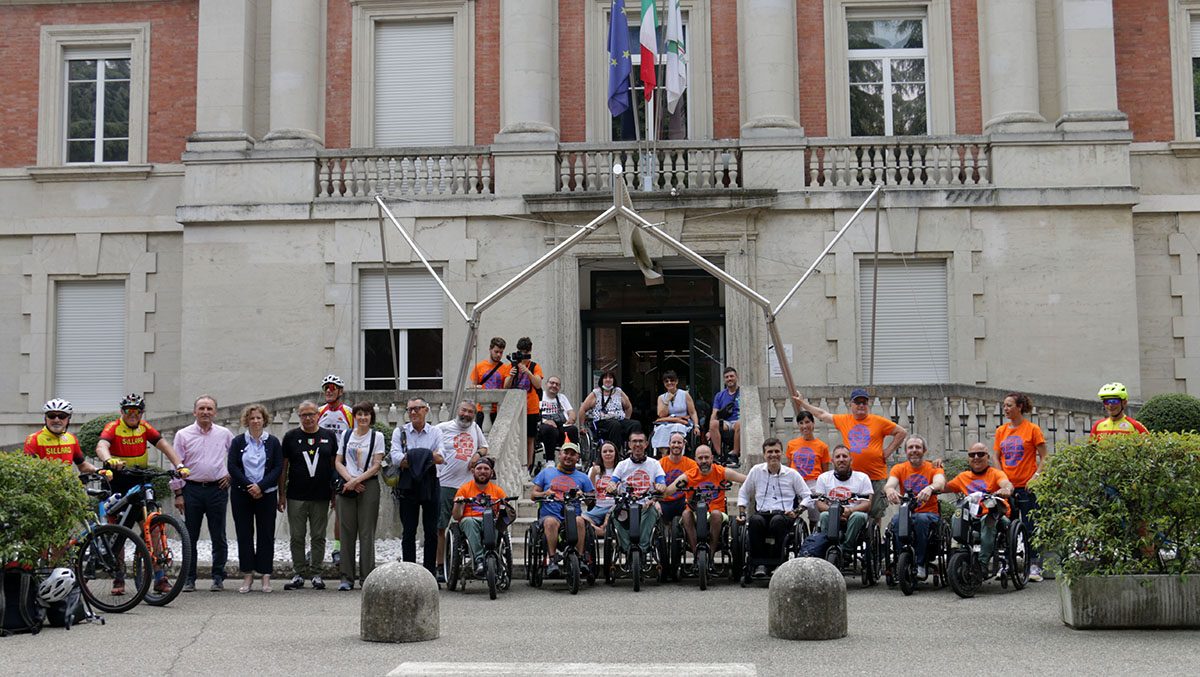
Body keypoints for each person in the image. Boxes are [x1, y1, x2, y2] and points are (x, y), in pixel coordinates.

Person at [93, 393, 190, 595]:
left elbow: (164, 445)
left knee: (153, 528)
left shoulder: (144, 427)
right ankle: (118, 577)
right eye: (129, 410)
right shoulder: (113, 427)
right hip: (118, 482)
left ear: (142, 413)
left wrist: (179, 465)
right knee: (118, 529)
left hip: (140, 480)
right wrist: (108, 460)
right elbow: (101, 446)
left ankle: (159, 577)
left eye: (137, 411)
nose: (133, 414)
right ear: (122, 412)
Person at [792, 388, 907, 523]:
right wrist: (803, 403)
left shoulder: (879, 421)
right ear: (851, 405)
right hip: (852, 479)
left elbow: (901, 432)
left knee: (875, 514)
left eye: (864, 402)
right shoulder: (844, 420)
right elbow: (822, 415)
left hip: (875, 476)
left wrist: (888, 451)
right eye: (857, 402)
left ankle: (873, 537)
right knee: (852, 513)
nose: (861, 405)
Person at [171, 395, 234, 592]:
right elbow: (176, 464)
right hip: (191, 490)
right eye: (201, 408)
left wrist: (231, 475)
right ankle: (189, 578)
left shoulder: (224, 434)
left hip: (218, 489)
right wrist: (178, 493)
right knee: (190, 536)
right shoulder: (183, 435)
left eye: (209, 408)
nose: (205, 412)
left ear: (215, 412)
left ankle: (218, 577)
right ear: (194, 412)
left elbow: (237, 457)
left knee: (219, 535)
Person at [279, 400, 339, 591]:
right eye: (304, 414)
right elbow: (283, 468)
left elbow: (334, 467)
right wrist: (281, 494)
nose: (308, 418)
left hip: (321, 495)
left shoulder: (329, 436)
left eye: (311, 414)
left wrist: (334, 494)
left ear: (318, 415)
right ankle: (298, 572)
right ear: (299, 416)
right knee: (297, 536)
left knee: (318, 536)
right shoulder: (290, 437)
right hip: (296, 495)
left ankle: (316, 573)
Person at [227, 403, 283, 594]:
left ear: (264, 420)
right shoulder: (238, 442)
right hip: (242, 494)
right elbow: (232, 466)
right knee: (244, 534)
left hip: (266, 494)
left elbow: (277, 467)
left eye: (259, 418)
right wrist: (249, 486)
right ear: (246, 421)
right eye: (252, 418)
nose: (255, 421)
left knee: (266, 534)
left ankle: (265, 575)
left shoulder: (273, 442)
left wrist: (261, 486)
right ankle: (247, 575)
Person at [994, 392, 1048, 582]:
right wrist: (1001, 479)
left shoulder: (1032, 429)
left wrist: (1036, 477)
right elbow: (996, 457)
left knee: (1030, 526)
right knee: (1006, 527)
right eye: (1004, 405)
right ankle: (1007, 564)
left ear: (1020, 407)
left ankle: (1034, 565)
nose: (1005, 409)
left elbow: (1045, 457)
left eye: (1009, 405)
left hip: (1027, 487)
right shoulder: (1001, 431)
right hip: (1007, 489)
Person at [737, 438, 811, 577]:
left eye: (776, 451)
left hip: (784, 515)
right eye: (769, 452)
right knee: (754, 521)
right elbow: (743, 492)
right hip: (763, 513)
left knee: (777, 521)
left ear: (782, 453)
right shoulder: (756, 471)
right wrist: (742, 513)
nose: (773, 455)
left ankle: (777, 562)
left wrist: (797, 511)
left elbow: (807, 496)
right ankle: (759, 564)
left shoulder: (792, 474)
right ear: (764, 455)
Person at [332, 401, 386, 591]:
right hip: (347, 485)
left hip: (368, 485)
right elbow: (338, 461)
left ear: (371, 417)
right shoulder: (346, 435)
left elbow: (376, 465)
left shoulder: (377, 436)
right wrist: (350, 480)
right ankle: (346, 578)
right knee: (346, 532)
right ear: (354, 416)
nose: (363, 417)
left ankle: (367, 577)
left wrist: (357, 481)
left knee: (366, 532)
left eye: (366, 414)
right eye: (359, 414)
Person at [435, 400, 489, 584]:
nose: (466, 415)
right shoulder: (442, 428)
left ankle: (476, 560)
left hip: (468, 487)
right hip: (445, 484)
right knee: (440, 527)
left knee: (471, 523)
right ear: (458, 410)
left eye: (470, 412)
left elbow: (484, 447)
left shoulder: (475, 428)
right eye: (464, 410)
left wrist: (477, 455)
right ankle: (439, 565)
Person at [390, 397, 444, 576]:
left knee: (431, 531)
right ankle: (410, 573)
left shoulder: (435, 432)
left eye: (417, 408)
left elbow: (441, 457)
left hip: (430, 482)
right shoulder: (400, 432)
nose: (413, 412)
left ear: (426, 410)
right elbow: (396, 458)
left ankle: (429, 573)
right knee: (408, 531)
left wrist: (412, 457)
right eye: (410, 409)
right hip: (408, 485)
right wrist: (427, 456)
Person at [663, 444, 748, 556]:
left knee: (716, 514)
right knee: (686, 514)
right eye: (700, 458)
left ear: (712, 458)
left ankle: (711, 554)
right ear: (695, 460)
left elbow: (747, 480)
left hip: (717, 512)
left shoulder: (721, 472)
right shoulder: (688, 476)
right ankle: (696, 554)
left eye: (706, 457)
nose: (704, 461)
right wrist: (659, 489)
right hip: (694, 513)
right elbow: (668, 491)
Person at [945, 442, 1014, 570]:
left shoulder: (996, 473)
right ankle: (960, 552)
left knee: (987, 521)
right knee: (956, 516)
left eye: (980, 454)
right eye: (972, 455)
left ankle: (982, 564)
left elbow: (1006, 484)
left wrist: (1006, 489)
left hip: (995, 515)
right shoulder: (962, 477)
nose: (976, 457)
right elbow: (942, 487)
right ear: (968, 458)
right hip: (972, 516)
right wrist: (937, 470)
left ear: (988, 457)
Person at [884, 436, 946, 579]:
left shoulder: (933, 468)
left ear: (924, 450)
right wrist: (890, 490)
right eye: (910, 447)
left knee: (920, 519)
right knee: (897, 520)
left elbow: (940, 483)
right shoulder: (899, 468)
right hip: (907, 512)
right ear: (906, 451)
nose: (914, 450)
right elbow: (890, 484)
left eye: (918, 447)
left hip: (929, 513)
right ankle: (901, 560)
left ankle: (920, 564)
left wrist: (930, 488)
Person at [531, 442, 594, 576]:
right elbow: (533, 495)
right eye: (566, 453)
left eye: (572, 454)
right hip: (550, 515)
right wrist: (545, 493)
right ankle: (552, 560)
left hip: (572, 515)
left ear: (577, 458)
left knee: (580, 521)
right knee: (550, 522)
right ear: (559, 455)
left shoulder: (583, 477)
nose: (568, 457)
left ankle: (580, 558)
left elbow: (591, 501)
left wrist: (583, 494)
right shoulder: (546, 473)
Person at [451, 457, 514, 577]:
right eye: (479, 468)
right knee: (469, 521)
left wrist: (505, 510)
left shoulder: (498, 491)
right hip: (470, 520)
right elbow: (456, 516)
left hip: (490, 520)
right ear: (473, 471)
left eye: (486, 469)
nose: (482, 471)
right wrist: (459, 504)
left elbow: (506, 513)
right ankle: (479, 559)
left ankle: (493, 554)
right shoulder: (464, 489)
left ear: (491, 472)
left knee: (498, 522)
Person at [607, 430, 666, 555]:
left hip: (646, 504)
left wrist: (661, 486)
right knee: (615, 514)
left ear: (646, 444)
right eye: (634, 441)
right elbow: (613, 482)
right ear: (629, 444)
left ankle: (642, 548)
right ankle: (627, 548)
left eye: (640, 441)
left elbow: (661, 481)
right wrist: (611, 486)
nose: (637, 444)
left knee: (651, 511)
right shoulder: (622, 465)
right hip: (626, 505)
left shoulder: (654, 464)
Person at [812, 445, 874, 560]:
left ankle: (847, 550)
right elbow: (819, 504)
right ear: (832, 461)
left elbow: (867, 504)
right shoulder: (823, 478)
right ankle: (828, 547)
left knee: (858, 516)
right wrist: (836, 513)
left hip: (854, 514)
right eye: (838, 457)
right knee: (824, 515)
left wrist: (850, 511)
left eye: (845, 456)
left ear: (851, 460)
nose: (841, 459)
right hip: (832, 514)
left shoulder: (863, 478)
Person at [318, 374, 353, 564]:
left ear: (340, 391)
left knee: (339, 508)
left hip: (342, 465)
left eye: (332, 388)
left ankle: (338, 548)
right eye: (326, 388)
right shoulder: (319, 411)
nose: (329, 391)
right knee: (318, 509)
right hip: (321, 464)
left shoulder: (348, 412)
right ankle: (316, 547)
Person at [24, 398, 101, 474]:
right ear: (45, 418)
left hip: (68, 481)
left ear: (68, 419)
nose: (56, 420)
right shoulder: (33, 439)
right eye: (51, 416)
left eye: (62, 416)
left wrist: (98, 470)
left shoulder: (71, 438)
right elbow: (28, 469)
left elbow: (82, 465)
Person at [502, 336, 544, 473]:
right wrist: (512, 374)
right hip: (515, 408)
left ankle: (528, 467)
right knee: (516, 439)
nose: (523, 356)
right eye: (521, 352)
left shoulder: (535, 366)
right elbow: (505, 387)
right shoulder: (511, 366)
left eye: (526, 353)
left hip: (531, 408)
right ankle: (516, 465)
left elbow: (538, 384)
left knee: (529, 439)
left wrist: (527, 372)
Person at [786, 410, 831, 526]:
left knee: (815, 518)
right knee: (791, 514)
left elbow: (825, 471)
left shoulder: (822, 446)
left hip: (813, 484)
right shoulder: (791, 444)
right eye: (801, 423)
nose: (804, 426)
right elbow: (788, 467)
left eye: (807, 422)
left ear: (813, 423)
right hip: (795, 483)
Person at [578, 370, 640, 452]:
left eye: (610, 378)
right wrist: (582, 426)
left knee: (635, 424)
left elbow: (628, 407)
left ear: (613, 380)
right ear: (602, 380)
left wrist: (626, 419)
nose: (608, 379)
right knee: (615, 425)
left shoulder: (618, 391)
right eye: (605, 378)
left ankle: (631, 450)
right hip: (602, 422)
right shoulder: (596, 393)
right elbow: (583, 409)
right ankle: (616, 452)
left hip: (619, 419)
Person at [650, 370, 699, 456]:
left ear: (676, 381)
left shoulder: (685, 394)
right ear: (664, 383)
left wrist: (696, 426)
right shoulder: (661, 397)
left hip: (682, 423)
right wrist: (667, 401)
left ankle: (679, 453)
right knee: (661, 429)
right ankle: (664, 455)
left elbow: (692, 412)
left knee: (677, 427)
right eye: (666, 381)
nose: (669, 383)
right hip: (667, 423)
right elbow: (661, 415)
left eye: (672, 380)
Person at [657, 432, 699, 530]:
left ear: (684, 444)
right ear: (669, 444)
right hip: (664, 500)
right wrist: (655, 502)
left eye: (679, 442)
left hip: (683, 500)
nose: (676, 445)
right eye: (674, 442)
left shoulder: (692, 464)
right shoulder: (659, 464)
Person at [469, 337, 511, 427]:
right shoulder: (479, 367)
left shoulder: (505, 368)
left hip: (498, 409)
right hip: (482, 408)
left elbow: (506, 387)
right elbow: (472, 386)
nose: (498, 355)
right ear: (490, 350)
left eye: (501, 352)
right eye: (496, 351)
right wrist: (478, 387)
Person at [537, 375, 577, 464]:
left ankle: (574, 458)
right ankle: (550, 460)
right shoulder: (539, 396)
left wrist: (571, 418)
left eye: (557, 384)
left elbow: (571, 411)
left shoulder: (562, 397)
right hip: (544, 425)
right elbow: (534, 414)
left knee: (572, 429)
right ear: (546, 384)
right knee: (550, 429)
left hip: (561, 425)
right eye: (552, 383)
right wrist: (545, 421)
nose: (554, 385)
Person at [707, 367, 742, 466]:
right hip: (726, 422)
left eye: (731, 376)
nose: (729, 379)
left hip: (739, 420)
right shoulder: (719, 395)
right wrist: (709, 430)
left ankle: (734, 455)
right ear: (724, 379)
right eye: (727, 377)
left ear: (736, 377)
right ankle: (720, 455)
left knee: (739, 424)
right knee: (713, 424)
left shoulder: (743, 393)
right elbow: (714, 413)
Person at [585, 441, 620, 531]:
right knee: (581, 520)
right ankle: (602, 532)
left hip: (615, 506)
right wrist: (593, 475)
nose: (608, 453)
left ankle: (602, 529)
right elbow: (591, 492)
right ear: (600, 454)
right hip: (598, 507)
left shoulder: (621, 468)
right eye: (604, 451)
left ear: (615, 453)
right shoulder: (593, 469)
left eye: (611, 451)